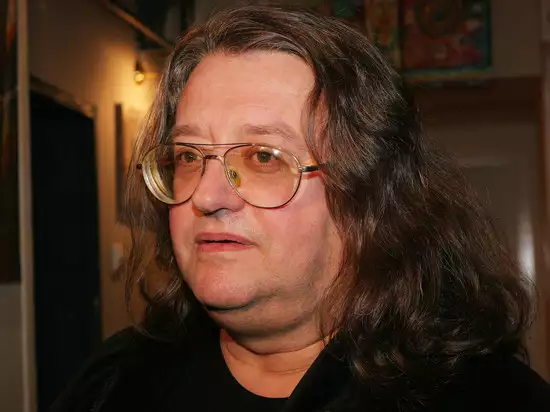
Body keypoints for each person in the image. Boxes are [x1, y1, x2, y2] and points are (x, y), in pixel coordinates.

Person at [52, 4, 550, 412]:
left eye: (263, 157)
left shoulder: (491, 398)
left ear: (369, 196)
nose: (205, 195)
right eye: (187, 156)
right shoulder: (115, 382)